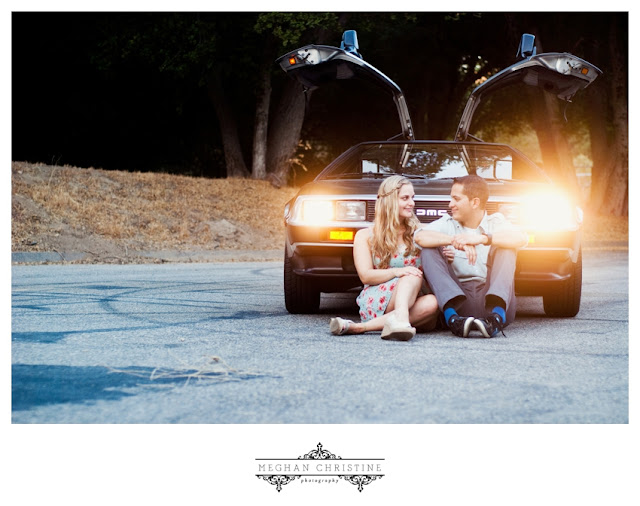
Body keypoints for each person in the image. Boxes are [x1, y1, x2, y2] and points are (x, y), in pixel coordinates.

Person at [414, 175, 528, 338]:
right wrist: (454, 241)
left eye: (456, 199)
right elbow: (420, 237)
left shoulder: (495, 222)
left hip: (490, 300)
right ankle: (453, 319)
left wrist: (482, 239)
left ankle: (496, 318)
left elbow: (521, 238)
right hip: (458, 302)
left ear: (475, 203)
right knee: (429, 249)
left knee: (506, 247)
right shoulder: (447, 223)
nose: (450, 204)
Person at [330, 175, 439, 341]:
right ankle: (400, 319)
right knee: (412, 274)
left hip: (416, 300)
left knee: (432, 302)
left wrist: (448, 253)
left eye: (412, 197)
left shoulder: (419, 232)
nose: (412, 203)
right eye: (405, 198)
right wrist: (398, 272)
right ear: (389, 201)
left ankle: (362, 327)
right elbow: (365, 276)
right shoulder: (365, 235)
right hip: (380, 298)